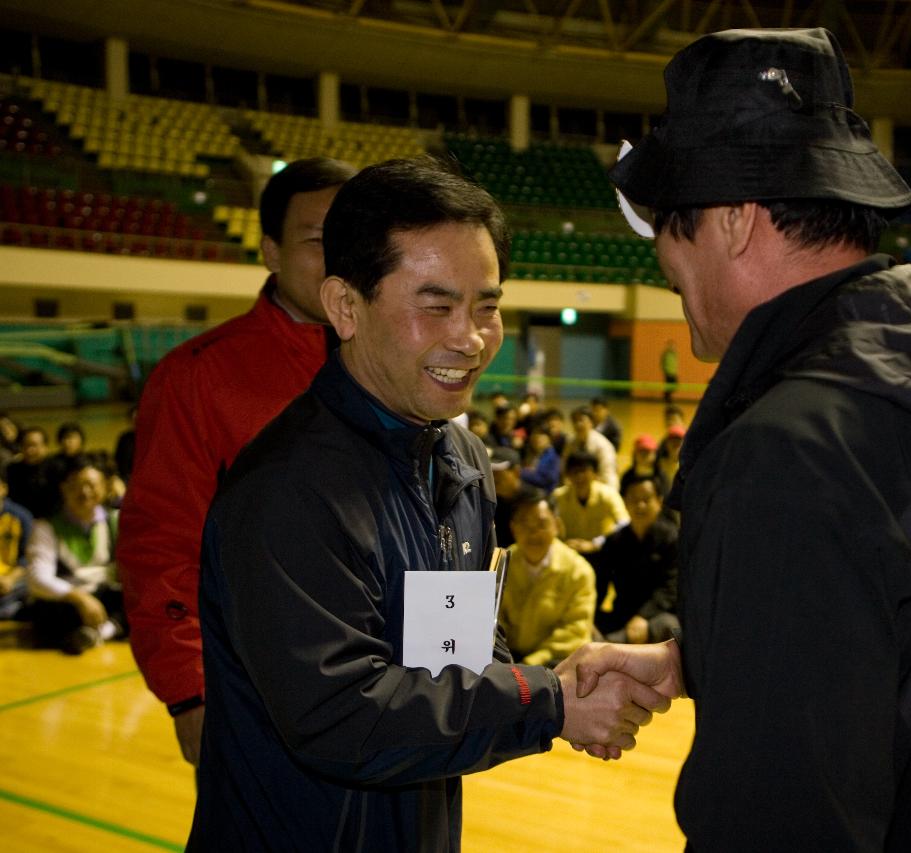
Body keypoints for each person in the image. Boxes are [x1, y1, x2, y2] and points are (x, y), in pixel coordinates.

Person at [605, 28, 911, 849]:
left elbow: (780, 822)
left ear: (731, 219)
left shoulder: (787, 451)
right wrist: (707, 659)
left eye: (666, 222)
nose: (660, 252)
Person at [190, 157, 679, 851]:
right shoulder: (285, 492)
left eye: (487, 305)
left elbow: (455, 648)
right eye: (437, 305)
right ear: (345, 306)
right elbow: (341, 716)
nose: (472, 337)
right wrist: (550, 702)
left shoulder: (462, 462)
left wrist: (563, 676)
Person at [118, 157, 356, 767]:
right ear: (270, 251)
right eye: (316, 240)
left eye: (355, 237)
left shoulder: (402, 367)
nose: (341, 256)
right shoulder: (198, 378)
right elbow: (162, 541)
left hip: (394, 694)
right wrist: (189, 690)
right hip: (257, 697)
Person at [26, 462, 127, 654]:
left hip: (105, 594)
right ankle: (103, 631)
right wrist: (80, 598)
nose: (85, 492)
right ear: (63, 488)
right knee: (49, 615)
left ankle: (97, 634)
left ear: (106, 487)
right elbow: (37, 578)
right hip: (69, 601)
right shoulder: (45, 527)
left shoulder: (116, 520)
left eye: (92, 485)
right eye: (77, 485)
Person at [499, 493, 596, 666]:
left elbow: (574, 630)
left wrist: (530, 663)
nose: (533, 532)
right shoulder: (502, 563)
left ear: (557, 525)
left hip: (554, 660)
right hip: (509, 658)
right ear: (513, 528)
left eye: (541, 524)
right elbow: (493, 618)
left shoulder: (579, 571)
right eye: (524, 524)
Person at [593, 473, 679, 644]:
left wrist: (643, 616)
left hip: (658, 614)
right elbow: (600, 584)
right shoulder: (614, 541)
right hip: (623, 613)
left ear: (659, 501)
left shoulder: (672, 538)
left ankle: (609, 647)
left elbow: (671, 588)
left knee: (668, 625)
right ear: (624, 502)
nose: (640, 505)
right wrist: (590, 618)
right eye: (634, 499)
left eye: (646, 499)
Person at [553, 450, 629, 556]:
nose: (579, 476)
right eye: (574, 471)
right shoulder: (558, 496)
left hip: (602, 552)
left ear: (595, 473)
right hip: (570, 552)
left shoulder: (608, 494)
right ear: (568, 475)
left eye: (583, 471)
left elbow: (624, 524)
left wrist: (596, 543)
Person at [0, 468, 33, 620]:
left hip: (13, 580)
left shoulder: (21, 517)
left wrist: (9, 579)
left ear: (3, 488)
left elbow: (27, 559)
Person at [7, 427, 59, 519]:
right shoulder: (12, 470)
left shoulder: (56, 469)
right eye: (25, 445)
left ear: (45, 447)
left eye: (34, 445)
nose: (30, 450)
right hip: (19, 520)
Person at [562, 405, 619, 489]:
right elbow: (564, 469)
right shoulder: (570, 443)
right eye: (575, 421)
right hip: (576, 487)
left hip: (601, 486)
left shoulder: (603, 445)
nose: (578, 424)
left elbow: (607, 475)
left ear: (591, 423)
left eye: (581, 420)